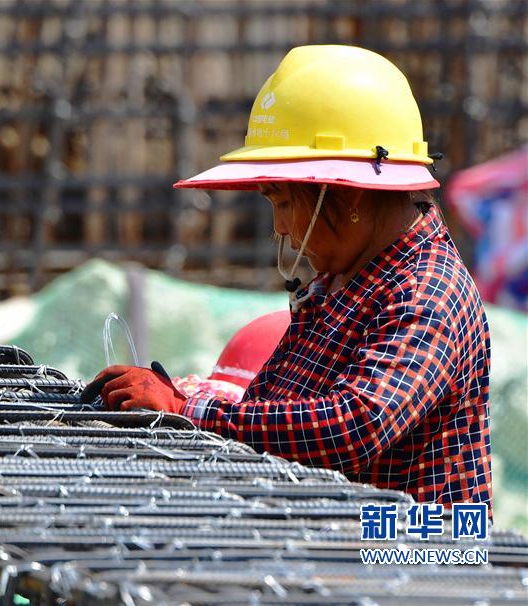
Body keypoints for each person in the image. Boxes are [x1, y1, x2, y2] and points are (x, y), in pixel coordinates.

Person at [81, 45, 493, 514]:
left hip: (413, 559)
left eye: (281, 202)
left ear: (346, 193)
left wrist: (190, 412)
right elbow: (282, 407)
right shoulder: (345, 277)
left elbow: (358, 423)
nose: (280, 228)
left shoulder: (425, 289)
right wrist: (184, 402)